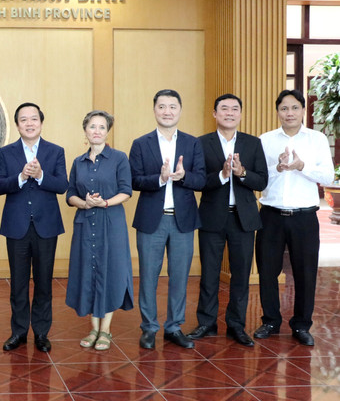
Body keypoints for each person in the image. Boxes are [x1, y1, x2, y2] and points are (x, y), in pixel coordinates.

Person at [254, 89, 334, 346]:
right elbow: (258, 177)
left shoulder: (317, 139)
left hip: (304, 217)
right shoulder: (265, 140)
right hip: (271, 215)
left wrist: (301, 166)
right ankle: (270, 321)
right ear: (277, 112)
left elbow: (328, 177)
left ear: (303, 110)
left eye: (294, 108)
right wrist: (277, 168)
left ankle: (301, 325)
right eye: (284, 109)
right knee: (267, 271)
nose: (289, 113)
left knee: (305, 272)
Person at [187, 94, 267, 347]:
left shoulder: (253, 144)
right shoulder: (201, 143)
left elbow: (262, 181)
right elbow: (198, 182)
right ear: (214, 114)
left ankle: (236, 325)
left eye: (234, 109)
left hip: (243, 218)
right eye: (224, 109)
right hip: (212, 217)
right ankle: (207, 323)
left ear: (240, 114)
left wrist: (242, 172)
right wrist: (221, 175)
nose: (229, 113)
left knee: (241, 275)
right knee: (209, 273)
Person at [129, 89, 205, 350]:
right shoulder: (141, 143)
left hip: (183, 220)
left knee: (179, 276)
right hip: (152, 220)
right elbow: (134, 180)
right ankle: (149, 327)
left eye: (172, 107)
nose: (167, 111)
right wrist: (160, 179)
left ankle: (174, 327)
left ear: (180, 110)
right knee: (148, 275)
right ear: (154, 110)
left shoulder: (193, 143)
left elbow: (202, 180)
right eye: (162, 107)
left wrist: (183, 176)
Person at [0, 103, 67, 353]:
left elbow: (62, 185)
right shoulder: (6, 153)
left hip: (46, 226)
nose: (29, 123)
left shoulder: (55, 151)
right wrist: (22, 177)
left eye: (33, 119)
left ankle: (42, 333)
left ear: (41, 123)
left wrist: (41, 175)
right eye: (23, 120)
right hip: (17, 226)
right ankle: (19, 332)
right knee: (19, 283)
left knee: (44, 282)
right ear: (17, 125)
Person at [66, 110, 134, 351]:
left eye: (102, 127)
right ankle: (93, 328)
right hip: (85, 223)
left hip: (111, 223)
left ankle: (105, 330)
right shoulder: (77, 162)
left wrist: (103, 202)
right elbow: (70, 193)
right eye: (92, 126)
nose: (97, 131)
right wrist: (85, 203)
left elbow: (126, 191)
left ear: (107, 131)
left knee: (109, 271)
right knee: (88, 272)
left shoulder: (119, 158)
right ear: (85, 130)